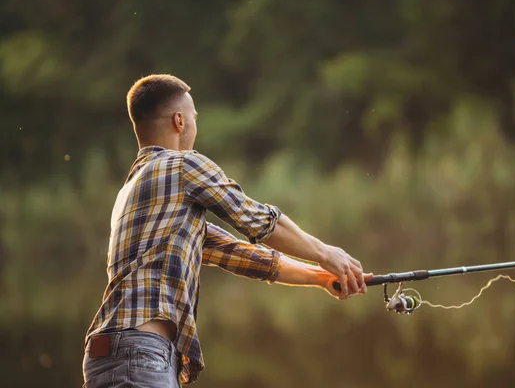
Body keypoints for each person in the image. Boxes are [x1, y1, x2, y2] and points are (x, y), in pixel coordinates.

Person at [82, 74, 371, 387]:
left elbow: (236, 253)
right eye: (194, 118)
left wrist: (320, 277)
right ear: (179, 121)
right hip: (142, 354)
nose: (194, 125)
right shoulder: (182, 166)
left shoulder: (134, 192)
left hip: (105, 356)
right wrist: (328, 253)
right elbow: (257, 220)